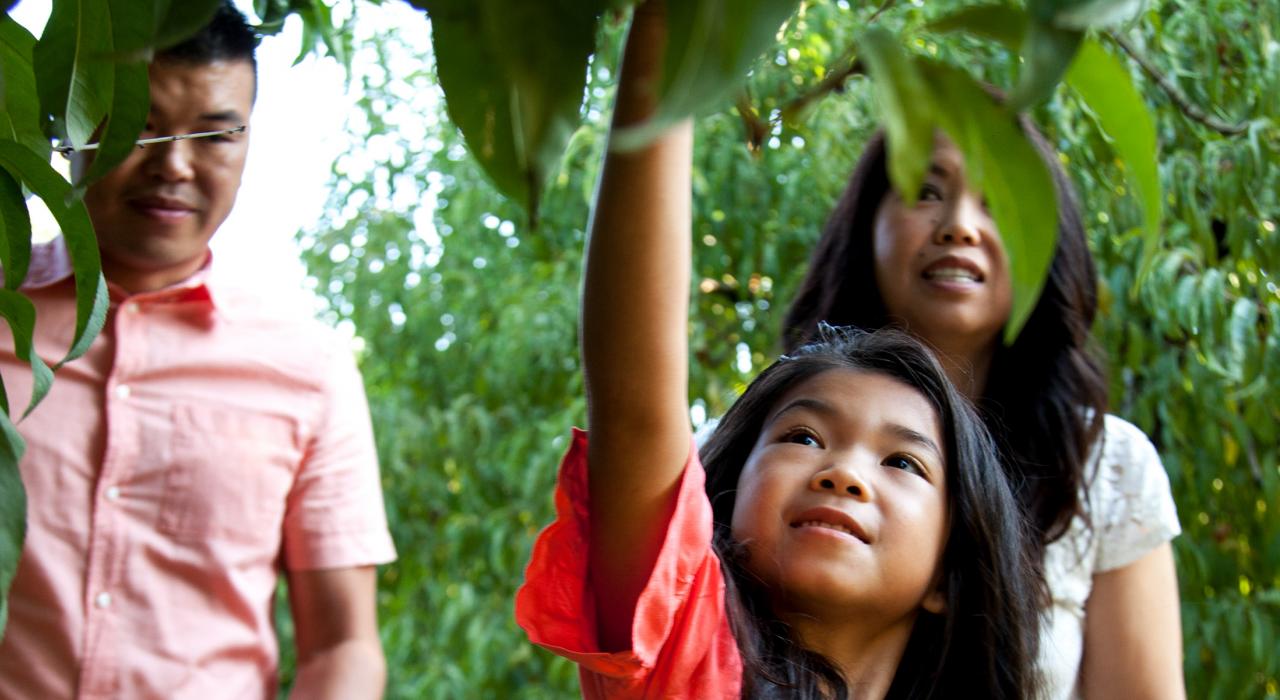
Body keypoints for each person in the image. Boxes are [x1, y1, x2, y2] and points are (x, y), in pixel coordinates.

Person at [515, 4, 1042, 697]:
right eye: (801, 435)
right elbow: (634, 404)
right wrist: (672, 31)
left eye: (903, 461)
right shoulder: (685, 662)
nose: (843, 472)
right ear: (727, 500)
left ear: (950, 570)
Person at [0, 4, 395, 698]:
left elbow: (343, 647)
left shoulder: (309, 371)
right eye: (140, 127)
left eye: (216, 134)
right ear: (73, 130)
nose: (175, 166)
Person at [782, 125, 1185, 694]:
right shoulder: (760, 450)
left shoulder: (1109, 467)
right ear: (866, 225)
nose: (959, 226)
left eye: (999, 202)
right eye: (926, 191)